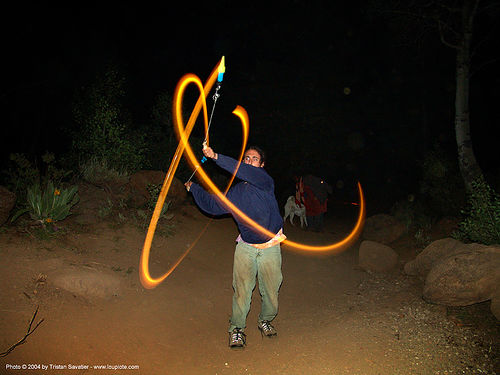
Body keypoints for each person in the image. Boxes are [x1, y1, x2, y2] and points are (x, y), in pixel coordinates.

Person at [184, 145, 286, 349]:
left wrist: (215, 156)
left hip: (271, 245)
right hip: (246, 248)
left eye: (254, 159)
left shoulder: (265, 182)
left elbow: (243, 170)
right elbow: (213, 204)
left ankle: (265, 320)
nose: (249, 161)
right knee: (241, 291)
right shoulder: (237, 193)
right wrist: (194, 188)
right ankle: (237, 329)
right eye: (246, 158)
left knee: (271, 291)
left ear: (262, 165)